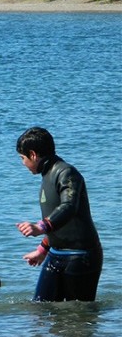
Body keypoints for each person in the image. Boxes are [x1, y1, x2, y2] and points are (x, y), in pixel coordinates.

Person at [15, 127, 103, 302]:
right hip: (56, 255)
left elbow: (69, 207)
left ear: (33, 154)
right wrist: (43, 249)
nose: (22, 163)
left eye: (22, 158)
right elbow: (61, 222)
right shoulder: (47, 176)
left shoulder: (66, 173)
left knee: (77, 318)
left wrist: (40, 226)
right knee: (39, 308)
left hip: (81, 257)